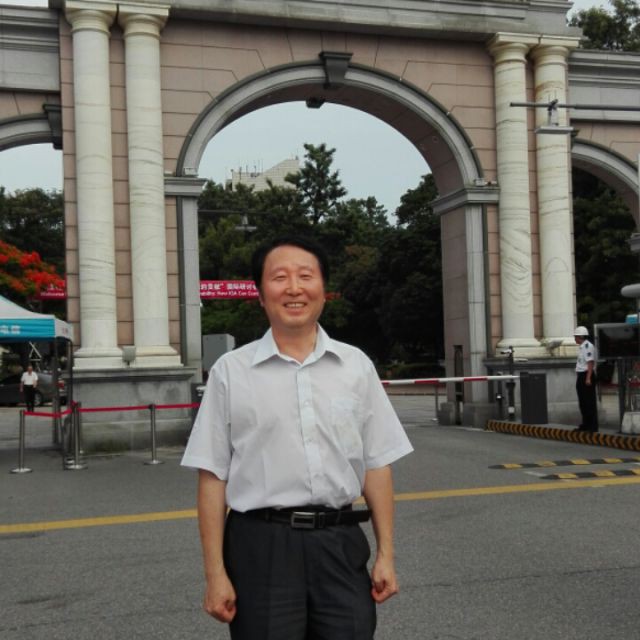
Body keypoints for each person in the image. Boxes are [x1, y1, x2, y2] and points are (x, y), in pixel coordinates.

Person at [182, 235, 413, 640]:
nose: (293, 288)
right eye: (279, 278)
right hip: (261, 547)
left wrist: (386, 555)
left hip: (339, 544)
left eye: (306, 276)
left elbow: (377, 464)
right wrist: (215, 574)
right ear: (260, 294)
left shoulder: (355, 366)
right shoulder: (230, 372)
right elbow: (212, 476)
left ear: (323, 290)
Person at [574, 326, 598, 432]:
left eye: (576, 336)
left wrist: (588, 378)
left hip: (587, 375)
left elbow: (590, 363)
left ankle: (592, 426)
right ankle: (586, 424)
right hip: (581, 375)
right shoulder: (582, 347)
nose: (575, 338)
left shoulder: (588, 346)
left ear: (580, 336)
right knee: (583, 402)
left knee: (589, 402)